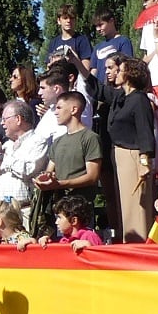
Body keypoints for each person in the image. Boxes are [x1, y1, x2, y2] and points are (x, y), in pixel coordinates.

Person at [102, 57, 158, 241]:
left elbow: (144, 131)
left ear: (131, 74)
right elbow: (99, 90)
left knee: (135, 208)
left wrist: (145, 161)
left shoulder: (139, 99)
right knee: (125, 207)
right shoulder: (122, 98)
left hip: (133, 156)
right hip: (119, 155)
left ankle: (139, 246)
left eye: (121, 70)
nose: (116, 73)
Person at [35, 92, 104, 231]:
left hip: (80, 209)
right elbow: (49, 171)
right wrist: (43, 180)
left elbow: (92, 176)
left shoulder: (90, 138)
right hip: (60, 209)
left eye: (59, 107)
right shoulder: (58, 141)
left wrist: (60, 184)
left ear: (74, 109)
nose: (55, 112)